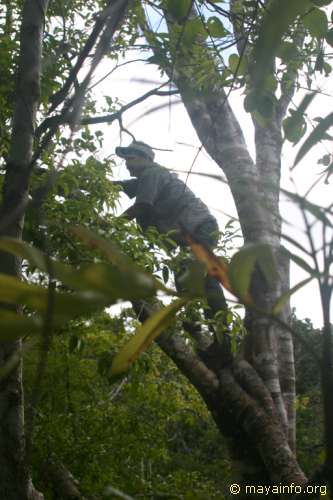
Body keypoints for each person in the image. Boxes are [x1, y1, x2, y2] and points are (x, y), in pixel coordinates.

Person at [114, 140, 227, 317]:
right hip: (195, 232)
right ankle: (213, 329)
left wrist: (113, 226)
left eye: (131, 159)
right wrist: (90, 182)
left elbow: (142, 206)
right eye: (125, 160)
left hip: (199, 228)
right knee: (190, 275)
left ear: (145, 159)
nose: (127, 164)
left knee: (194, 275)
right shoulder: (149, 177)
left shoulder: (152, 174)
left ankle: (218, 329)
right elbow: (121, 185)